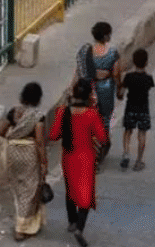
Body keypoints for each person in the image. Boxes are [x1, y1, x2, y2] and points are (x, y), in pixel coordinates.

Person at [50, 80, 108, 247]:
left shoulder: (63, 112)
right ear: (89, 95)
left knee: (70, 189)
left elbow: (54, 135)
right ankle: (79, 229)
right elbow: (102, 137)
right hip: (85, 158)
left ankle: (72, 222)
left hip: (68, 157)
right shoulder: (91, 114)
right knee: (86, 195)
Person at [0, 82, 47, 241]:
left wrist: (14, 140)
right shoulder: (38, 116)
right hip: (29, 155)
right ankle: (21, 228)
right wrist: (44, 162)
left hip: (12, 153)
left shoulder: (14, 112)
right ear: (39, 98)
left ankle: (28, 223)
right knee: (29, 190)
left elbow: (0, 131)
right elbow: (39, 141)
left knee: (18, 189)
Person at [75, 20, 122, 164]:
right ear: (106, 36)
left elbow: (78, 71)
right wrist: (119, 87)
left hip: (90, 88)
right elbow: (116, 73)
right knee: (105, 118)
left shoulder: (86, 51)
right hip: (106, 87)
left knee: (90, 118)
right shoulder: (113, 52)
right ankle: (101, 147)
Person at [119, 47, 153, 171]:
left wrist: (120, 91)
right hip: (143, 110)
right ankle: (139, 161)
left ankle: (126, 153)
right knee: (142, 133)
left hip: (130, 109)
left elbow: (121, 94)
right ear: (146, 62)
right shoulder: (149, 79)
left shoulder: (128, 77)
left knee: (128, 131)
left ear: (133, 61)